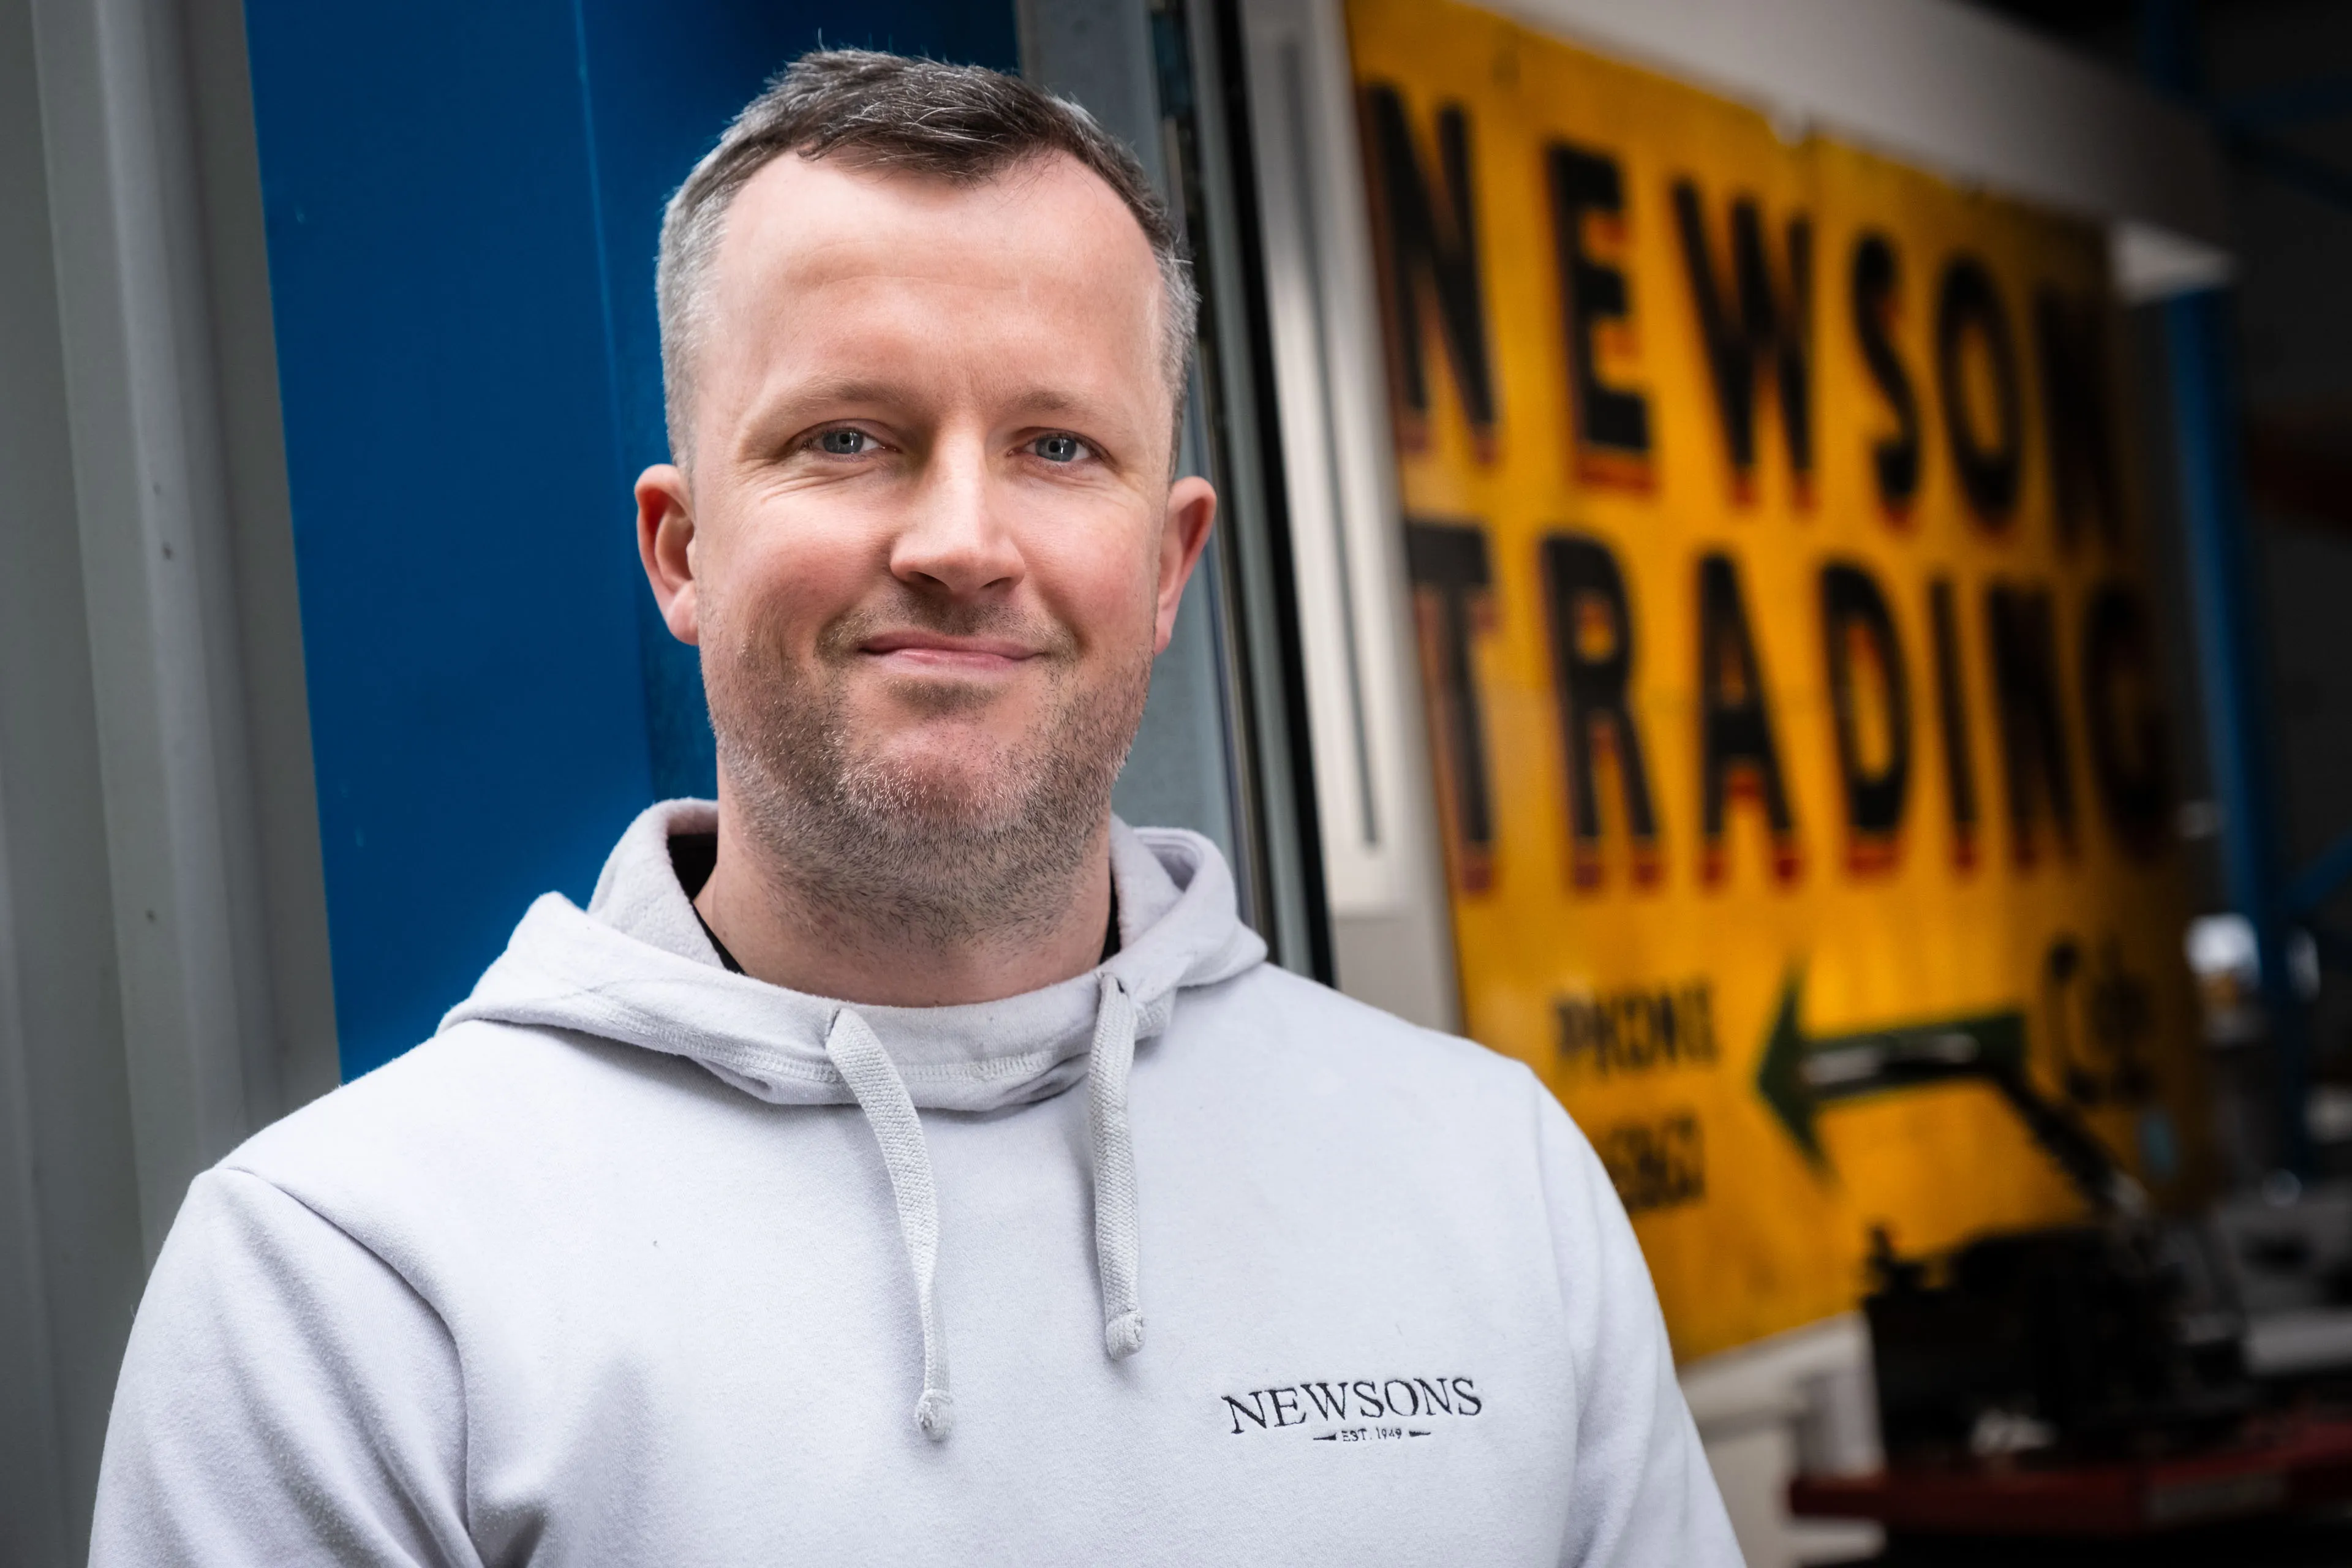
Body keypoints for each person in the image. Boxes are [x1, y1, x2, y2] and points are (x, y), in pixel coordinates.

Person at [91, 50, 1738, 1566]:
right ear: (681, 551)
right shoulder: (349, 1284)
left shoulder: (1495, 1180)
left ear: (1169, 564)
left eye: (1057, 447)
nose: (960, 542)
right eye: (849, 436)